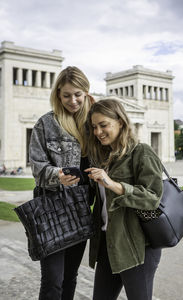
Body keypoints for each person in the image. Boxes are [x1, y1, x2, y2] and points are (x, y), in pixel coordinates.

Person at [85, 98, 163, 300]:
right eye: (94, 127)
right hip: (108, 244)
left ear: (120, 122)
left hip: (137, 248)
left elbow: (153, 198)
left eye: (103, 125)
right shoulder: (103, 157)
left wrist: (113, 185)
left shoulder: (141, 152)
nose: (98, 132)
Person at [29, 66, 95, 300]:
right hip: (50, 208)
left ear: (86, 92)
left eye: (78, 94)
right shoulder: (46, 124)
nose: (72, 100)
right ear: (58, 94)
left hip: (80, 209)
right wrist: (58, 174)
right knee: (52, 281)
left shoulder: (94, 123)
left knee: (70, 276)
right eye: (66, 95)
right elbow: (36, 166)